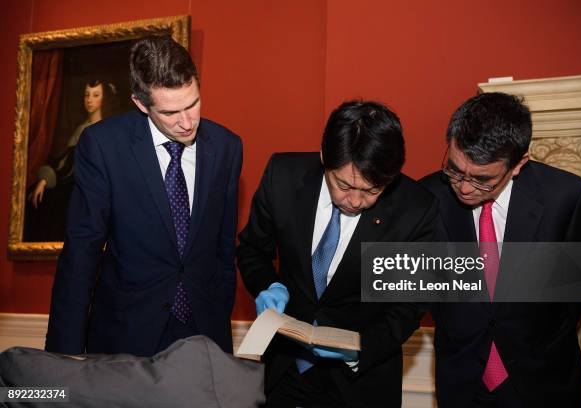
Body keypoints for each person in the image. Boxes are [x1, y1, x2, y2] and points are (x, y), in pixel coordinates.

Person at [45, 35, 242, 357]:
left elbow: (223, 248)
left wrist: (219, 323)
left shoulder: (227, 147)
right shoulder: (103, 146)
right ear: (140, 103)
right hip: (125, 334)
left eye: (192, 103)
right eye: (169, 112)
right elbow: (82, 250)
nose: (187, 122)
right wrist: (63, 351)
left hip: (204, 334)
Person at [238, 100, 438, 407]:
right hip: (286, 368)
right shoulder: (283, 175)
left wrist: (361, 347)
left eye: (372, 190)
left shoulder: (416, 209)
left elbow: (409, 305)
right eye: (343, 184)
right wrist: (268, 285)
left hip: (361, 381)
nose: (356, 201)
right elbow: (252, 249)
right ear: (323, 157)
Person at [420, 92, 581, 407]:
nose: (464, 187)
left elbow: (572, 297)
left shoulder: (567, 199)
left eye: (482, 180)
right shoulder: (426, 197)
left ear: (519, 164)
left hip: (544, 382)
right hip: (463, 383)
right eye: (454, 169)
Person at [25, 79, 117, 242]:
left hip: (95, 185)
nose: (89, 99)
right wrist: (46, 178)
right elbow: (66, 161)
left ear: (105, 98)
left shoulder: (107, 127)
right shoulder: (81, 128)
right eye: (86, 95)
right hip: (73, 179)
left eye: (95, 95)